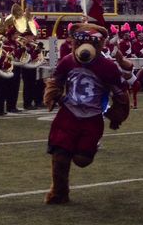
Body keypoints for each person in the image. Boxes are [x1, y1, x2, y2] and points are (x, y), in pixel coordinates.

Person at [43, 23, 129, 204]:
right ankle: (59, 193)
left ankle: (89, 147)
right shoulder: (67, 60)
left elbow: (120, 92)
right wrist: (54, 95)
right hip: (68, 113)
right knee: (60, 156)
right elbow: (56, 80)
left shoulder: (108, 67)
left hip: (92, 117)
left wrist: (117, 113)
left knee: (82, 159)